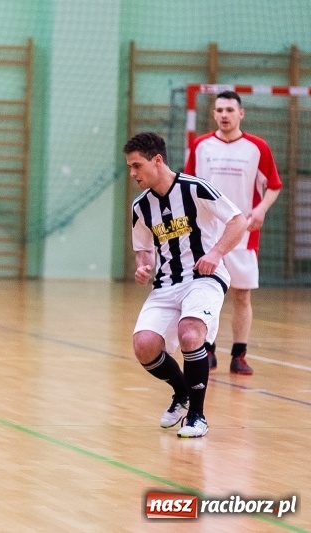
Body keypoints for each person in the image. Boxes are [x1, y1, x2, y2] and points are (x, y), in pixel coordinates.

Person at [125, 132, 247, 438]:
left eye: (137, 166)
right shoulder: (141, 206)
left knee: (191, 332)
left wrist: (216, 253)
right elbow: (143, 249)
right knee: (144, 346)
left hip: (204, 278)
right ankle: (181, 394)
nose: (132, 173)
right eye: (130, 167)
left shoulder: (194, 189)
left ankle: (197, 416)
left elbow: (238, 220)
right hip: (166, 283)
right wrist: (143, 267)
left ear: (157, 160)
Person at [184, 90, 283, 375]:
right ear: (213, 114)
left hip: (243, 234)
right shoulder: (201, 146)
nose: (224, 115)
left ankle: (239, 355)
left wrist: (261, 208)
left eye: (230, 110)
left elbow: (273, 185)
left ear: (241, 113)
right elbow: (190, 187)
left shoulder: (257, 147)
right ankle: (208, 350)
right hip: (206, 235)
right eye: (219, 110)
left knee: (242, 296)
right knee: (207, 294)